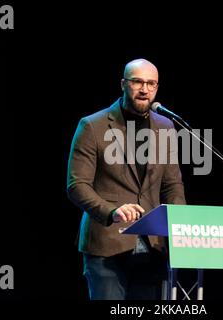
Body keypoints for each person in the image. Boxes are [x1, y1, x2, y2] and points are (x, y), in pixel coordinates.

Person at [67, 58, 186, 300]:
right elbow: (77, 185)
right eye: (138, 82)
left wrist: (180, 225)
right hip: (107, 246)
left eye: (151, 84)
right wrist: (112, 211)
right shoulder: (93, 126)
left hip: (152, 248)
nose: (145, 89)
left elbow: (172, 184)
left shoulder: (166, 126)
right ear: (123, 84)